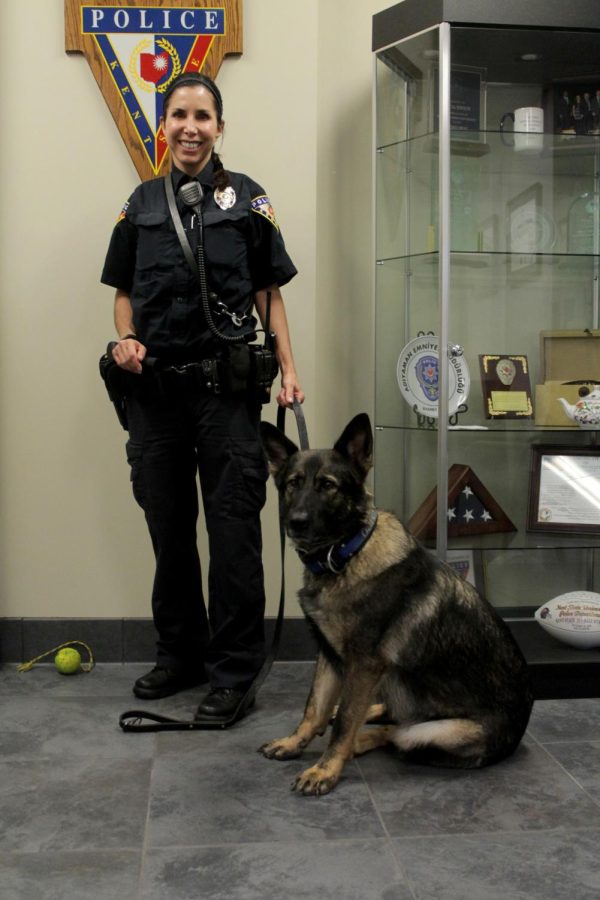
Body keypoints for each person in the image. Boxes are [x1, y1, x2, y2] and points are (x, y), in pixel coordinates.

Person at [101, 71, 304, 719]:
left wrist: (290, 369)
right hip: (156, 394)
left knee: (234, 532)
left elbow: (270, 293)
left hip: (227, 393)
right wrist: (126, 340)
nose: (191, 127)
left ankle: (234, 674)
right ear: (164, 126)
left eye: (203, 116)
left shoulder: (249, 200)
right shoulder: (140, 204)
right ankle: (180, 656)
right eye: (179, 115)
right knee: (169, 531)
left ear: (220, 126)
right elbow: (124, 294)